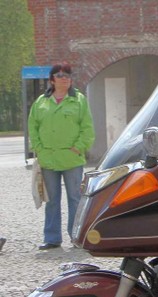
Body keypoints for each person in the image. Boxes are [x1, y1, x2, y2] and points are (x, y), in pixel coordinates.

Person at [28, 62, 95, 250]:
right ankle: (52, 238)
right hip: (48, 159)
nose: (64, 78)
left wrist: (79, 147)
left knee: (75, 199)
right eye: (59, 75)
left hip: (71, 159)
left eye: (67, 75)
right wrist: (39, 149)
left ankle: (77, 236)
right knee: (51, 200)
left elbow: (87, 128)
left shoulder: (79, 100)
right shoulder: (41, 102)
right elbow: (33, 127)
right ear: (52, 80)